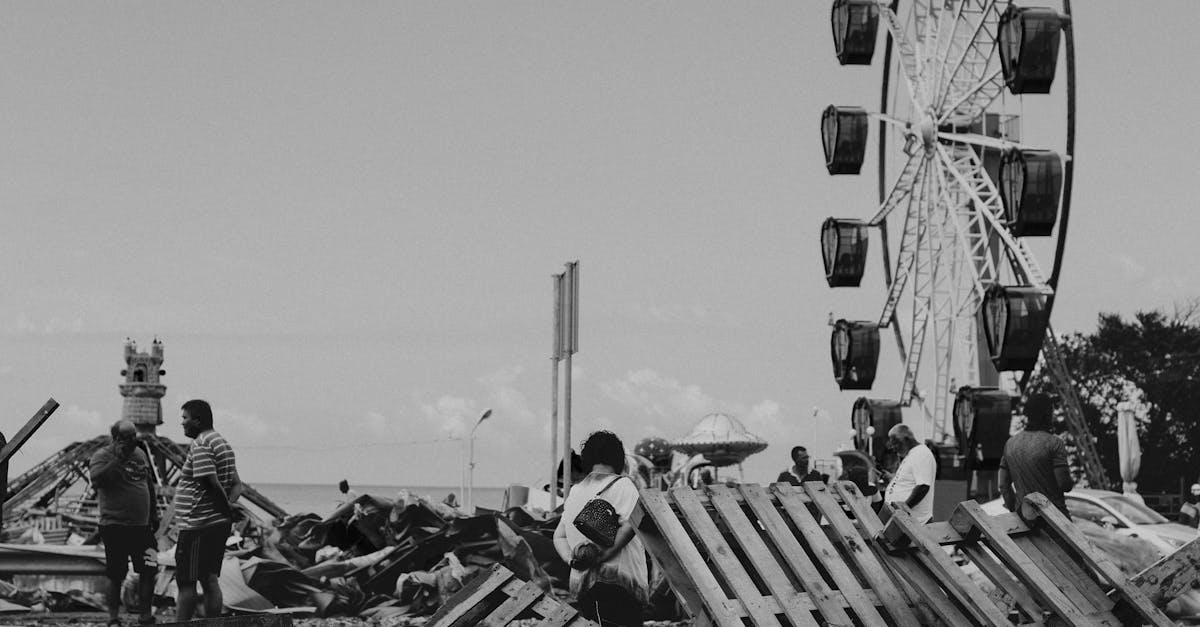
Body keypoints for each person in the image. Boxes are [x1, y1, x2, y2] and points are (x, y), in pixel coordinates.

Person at [554, 431, 648, 626]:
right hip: (619, 585)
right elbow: (632, 525)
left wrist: (572, 560)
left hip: (583, 588)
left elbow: (559, 536)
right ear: (619, 459)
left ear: (587, 460)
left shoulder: (575, 491)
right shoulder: (624, 486)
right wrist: (603, 556)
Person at [174, 399, 243, 621]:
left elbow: (209, 482)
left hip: (197, 525)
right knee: (210, 579)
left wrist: (227, 510)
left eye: (185, 418)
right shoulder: (223, 443)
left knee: (186, 582)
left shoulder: (201, 443)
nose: (182, 423)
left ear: (198, 420)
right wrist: (228, 508)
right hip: (216, 525)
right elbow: (236, 484)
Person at [89, 420, 158, 626]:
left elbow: (148, 485)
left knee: (149, 568)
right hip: (115, 525)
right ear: (116, 438)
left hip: (142, 526)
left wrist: (153, 513)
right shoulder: (102, 456)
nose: (132, 441)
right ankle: (113, 618)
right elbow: (96, 481)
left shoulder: (140, 454)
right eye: (127, 437)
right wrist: (117, 460)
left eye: (133, 436)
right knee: (116, 573)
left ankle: (145, 615)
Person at [997, 408, 1074, 517]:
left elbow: (1003, 484)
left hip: (1024, 518)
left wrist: (1013, 509)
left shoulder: (1010, 444)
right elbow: (1064, 484)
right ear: (1047, 415)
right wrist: (1070, 480)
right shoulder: (1054, 443)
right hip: (1055, 519)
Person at [883, 424, 937, 523]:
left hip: (915, 522)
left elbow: (923, 486)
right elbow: (909, 482)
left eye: (895, 444)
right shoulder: (912, 454)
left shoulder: (921, 454)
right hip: (906, 521)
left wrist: (903, 511)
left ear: (906, 440)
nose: (893, 448)